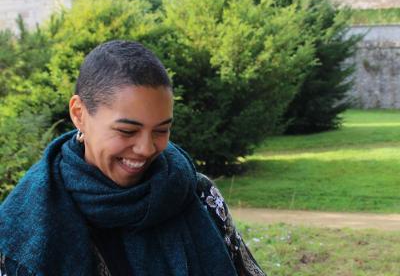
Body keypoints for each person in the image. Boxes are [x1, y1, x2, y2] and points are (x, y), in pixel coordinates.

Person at [0, 40, 265, 276]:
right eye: (127, 131)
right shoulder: (27, 222)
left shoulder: (198, 193)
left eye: (161, 130)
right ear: (79, 113)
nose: (146, 148)